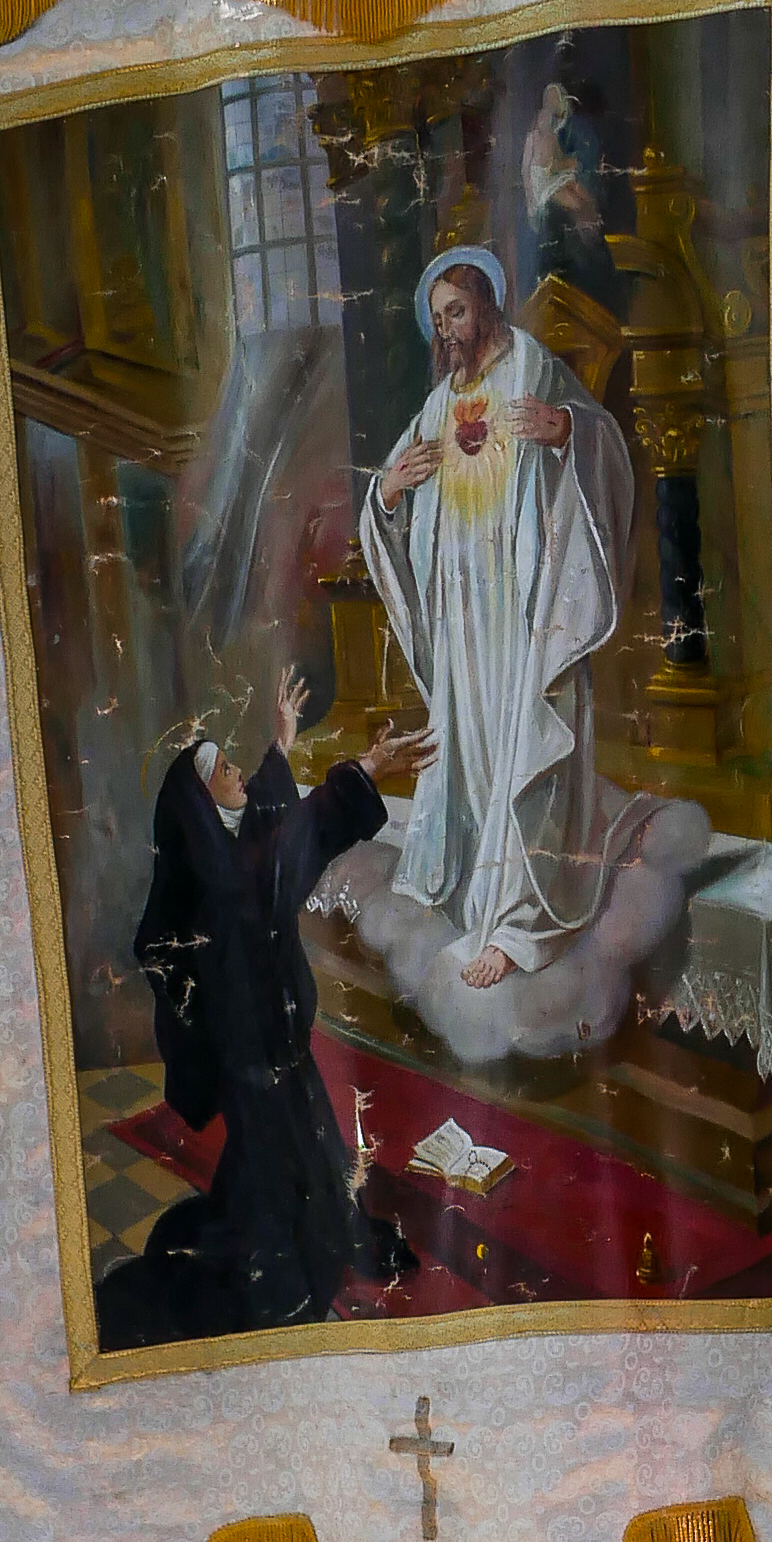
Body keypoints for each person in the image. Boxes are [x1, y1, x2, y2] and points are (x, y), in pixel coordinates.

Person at [96, 661, 429, 1352]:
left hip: (279, 1047)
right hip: (252, 1056)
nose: (238, 776)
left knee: (306, 1147)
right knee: (280, 1170)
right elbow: (286, 848)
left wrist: (281, 740)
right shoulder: (218, 878)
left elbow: (276, 829)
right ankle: (274, 1269)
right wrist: (365, 768)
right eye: (225, 775)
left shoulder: (237, 850)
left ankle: (309, 1231)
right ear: (202, 802)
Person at [360, 245, 636, 991]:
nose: (449, 327)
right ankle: (472, 890)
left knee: (520, 749)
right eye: (438, 317)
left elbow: (604, 442)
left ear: (484, 305)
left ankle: (517, 922)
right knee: (475, 752)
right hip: (462, 615)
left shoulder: (533, 367)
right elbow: (388, 490)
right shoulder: (441, 399)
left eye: (458, 309)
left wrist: (568, 432)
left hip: (522, 607)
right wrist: (389, 491)